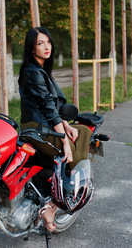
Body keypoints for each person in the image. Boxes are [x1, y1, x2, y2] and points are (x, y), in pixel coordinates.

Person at [18, 27, 92, 232]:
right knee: (75, 150)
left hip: (44, 125)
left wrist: (66, 125)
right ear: (32, 48)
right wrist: (65, 141)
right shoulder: (33, 72)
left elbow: (49, 106)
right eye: (40, 43)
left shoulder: (39, 69)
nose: (46, 47)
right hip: (37, 129)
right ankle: (53, 206)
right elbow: (48, 108)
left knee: (81, 130)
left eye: (48, 42)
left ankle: (53, 191)